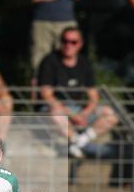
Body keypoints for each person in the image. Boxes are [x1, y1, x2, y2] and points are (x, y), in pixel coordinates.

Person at [37, 26, 119, 158]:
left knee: (111, 113)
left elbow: (94, 96)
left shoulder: (85, 63)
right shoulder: (50, 61)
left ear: (80, 44)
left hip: (79, 109)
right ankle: (86, 146)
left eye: (73, 42)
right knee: (56, 113)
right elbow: (47, 95)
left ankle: (80, 142)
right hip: (58, 109)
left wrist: (85, 113)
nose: (69, 45)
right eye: (65, 41)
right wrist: (73, 114)